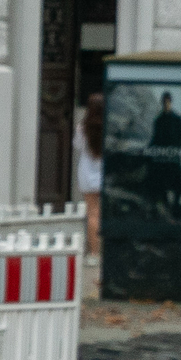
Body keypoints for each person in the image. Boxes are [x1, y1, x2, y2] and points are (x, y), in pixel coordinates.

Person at [75, 92, 105, 261]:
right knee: (106, 213)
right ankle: (106, 252)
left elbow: (77, 145)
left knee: (92, 213)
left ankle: (94, 253)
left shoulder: (82, 127)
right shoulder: (110, 126)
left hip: (87, 172)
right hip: (105, 173)